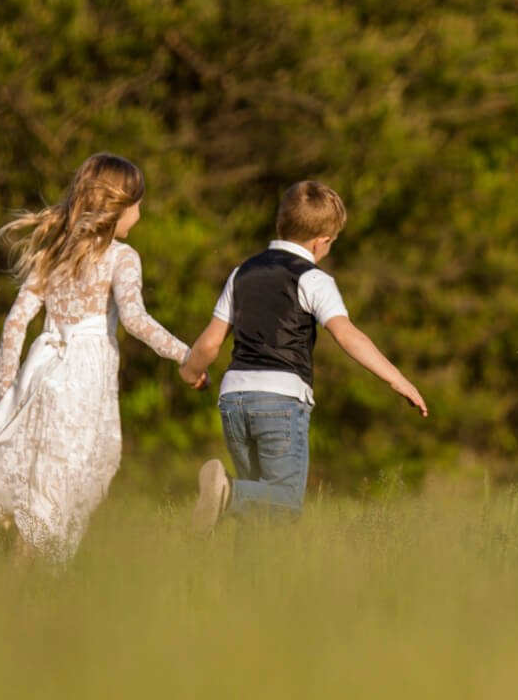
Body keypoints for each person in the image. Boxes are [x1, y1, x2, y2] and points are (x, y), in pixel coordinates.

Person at [0, 153, 191, 562]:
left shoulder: (53, 252)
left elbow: (15, 323)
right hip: (82, 386)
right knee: (64, 483)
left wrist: (7, 392)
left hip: (40, 378)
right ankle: (29, 589)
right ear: (117, 206)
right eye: (137, 203)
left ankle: (10, 571)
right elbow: (137, 320)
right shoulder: (123, 257)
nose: (140, 213)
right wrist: (186, 355)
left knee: (31, 479)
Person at [180, 180, 427, 530]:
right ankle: (229, 492)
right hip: (280, 400)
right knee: (284, 504)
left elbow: (208, 345)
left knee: (258, 509)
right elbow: (348, 336)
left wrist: (191, 371)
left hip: (233, 398)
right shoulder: (313, 278)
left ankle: (245, 569)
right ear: (321, 242)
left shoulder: (241, 273)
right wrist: (398, 379)